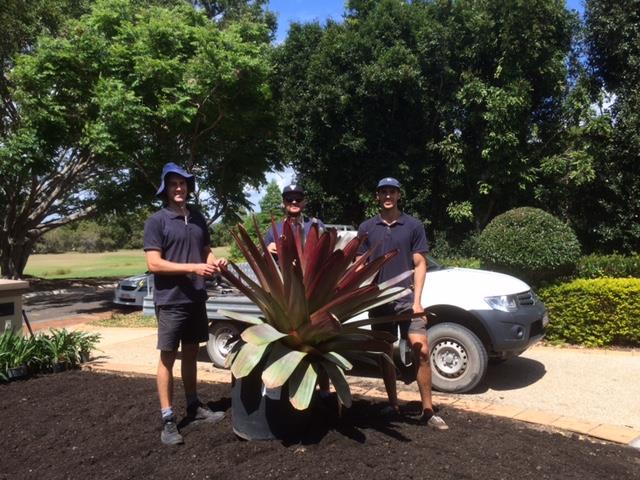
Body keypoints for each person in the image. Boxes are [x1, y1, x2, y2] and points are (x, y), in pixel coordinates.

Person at [144, 162, 228, 445]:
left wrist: (216, 263)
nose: (179, 188)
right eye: (173, 184)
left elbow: (206, 251)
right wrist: (192, 268)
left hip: (195, 298)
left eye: (183, 184)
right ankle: (168, 419)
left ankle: (194, 405)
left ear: (188, 188)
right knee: (168, 358)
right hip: (171, 301)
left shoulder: (198, 218)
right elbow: (153, 263)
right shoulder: (157, 221)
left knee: (191, 353)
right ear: (165, 190)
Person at [357, 177, 448, 430]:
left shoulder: (413, 225)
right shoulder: (366, 228)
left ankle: (428, 411)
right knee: (385, 355)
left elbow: (420, 264)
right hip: (379, 303)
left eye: (392, 191)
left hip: (407, 301)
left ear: (399, 195)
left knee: (422, 351)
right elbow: (360, 266)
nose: (388, 195)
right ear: (377, 196)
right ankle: (393, 404)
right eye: (383, 191)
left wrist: (418, 301)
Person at [263, 184, 325, 254]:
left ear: (304, 202)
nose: (294, 202)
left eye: (298, 198)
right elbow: (262, 259)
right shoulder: (273, 231)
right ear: (283, 202)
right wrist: (267, 250)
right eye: (289, 198)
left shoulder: (317, 225)